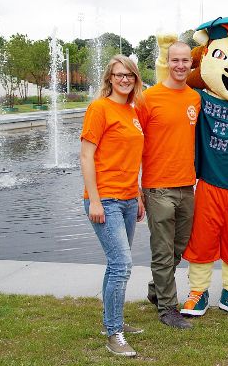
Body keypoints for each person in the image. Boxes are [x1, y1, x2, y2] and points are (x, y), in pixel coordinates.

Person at [80, 54, 145, 357]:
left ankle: (111, 320)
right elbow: (86, 156)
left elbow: (131, 158)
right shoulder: (99, 108)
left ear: (135, 79)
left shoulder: (132, 110)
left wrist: (139, 195)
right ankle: (114, 333)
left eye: (129, 75)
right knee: (122, 265)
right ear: (109, 78)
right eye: (118, 75)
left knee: (115, 265)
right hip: (105, 199)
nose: (124, 79)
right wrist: (94, 199)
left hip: (129, 198)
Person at [136, 41, 201, 330]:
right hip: (157, 186)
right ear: (168, 61)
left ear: (191, 63)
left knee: (179, 247)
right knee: (162, 251)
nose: (180, 65)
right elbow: (133, 142)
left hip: (187, 185)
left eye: (185, 60)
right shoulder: (148, 98)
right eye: (175, 60)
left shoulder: (194, 98)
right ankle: (168, 309)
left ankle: (156, 290)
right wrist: (135, 187)